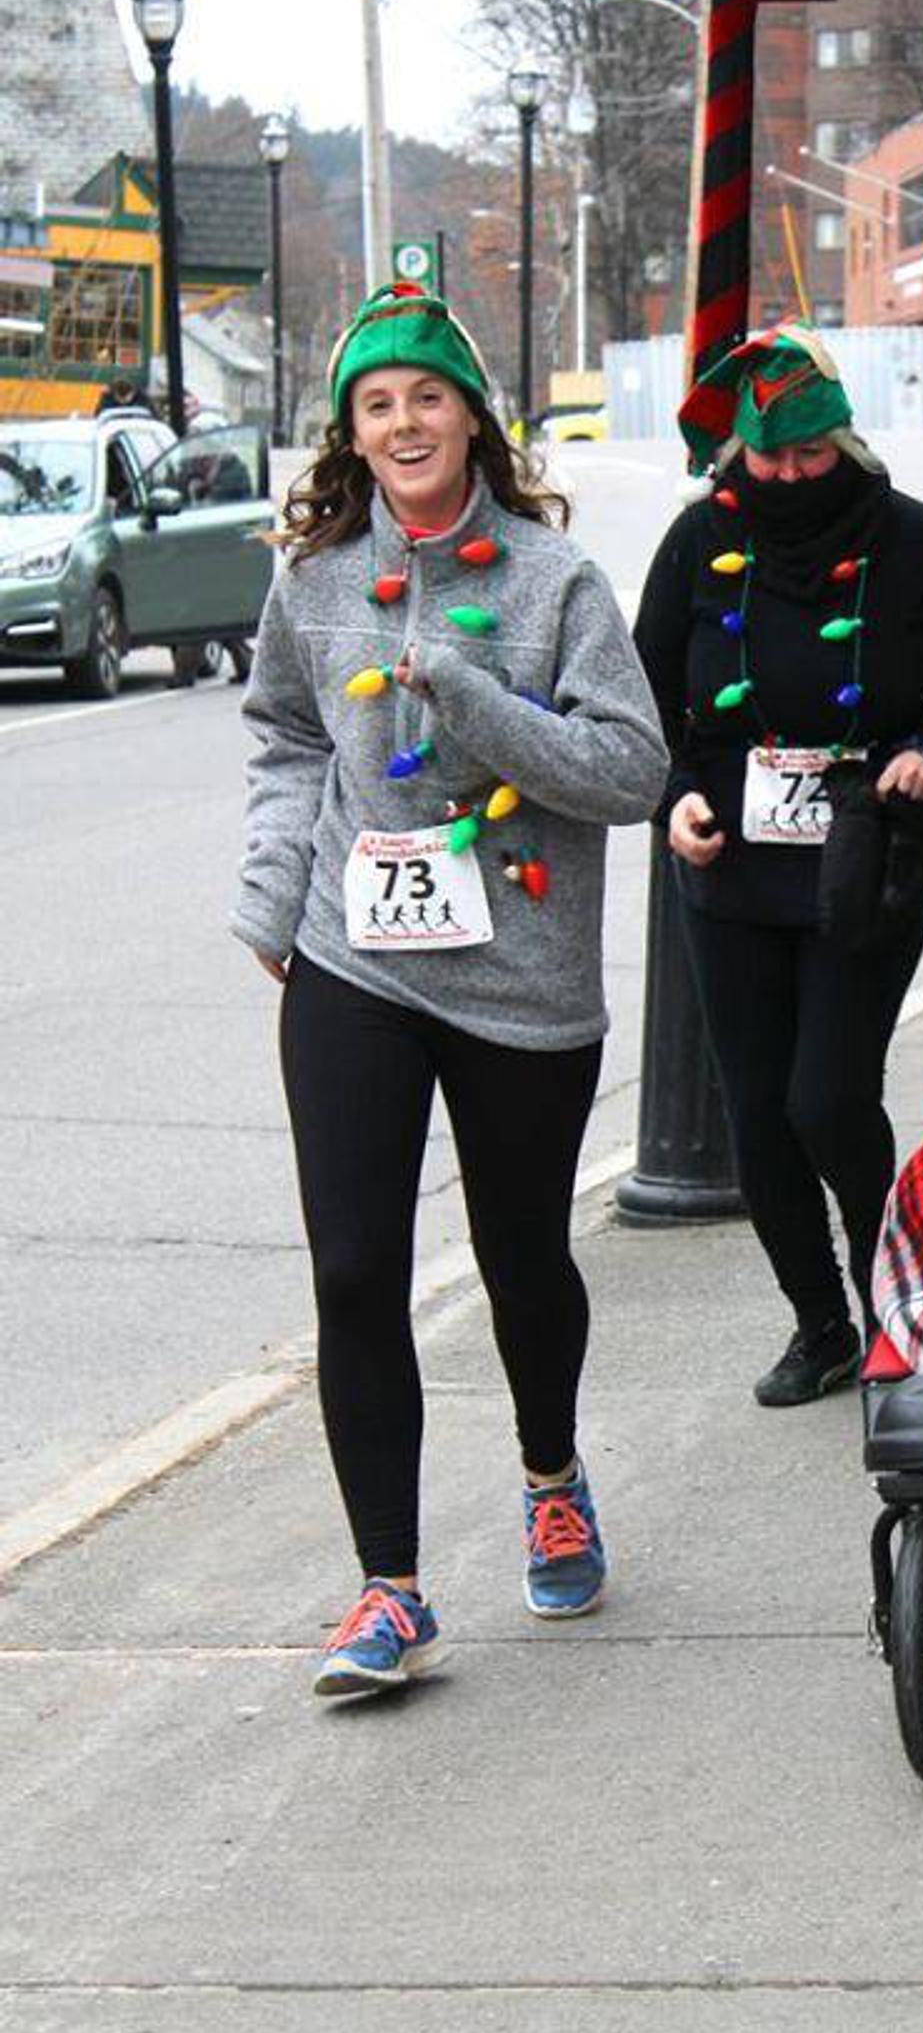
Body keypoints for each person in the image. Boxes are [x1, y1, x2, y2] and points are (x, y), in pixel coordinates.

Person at [231, 281, 667, 1701]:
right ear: (352, 435)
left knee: (520, 1260)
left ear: (472, 415)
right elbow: (288, 739)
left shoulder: (554, 582)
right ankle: (391, 1591)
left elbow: (629, 771)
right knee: (353, 1271)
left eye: (429, 396)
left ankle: (551, 1472)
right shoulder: (313, 581)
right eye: (378, 405)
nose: (406, 422)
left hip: (519, 976)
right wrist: (274, 886)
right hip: (357, 959)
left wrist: (477, 703)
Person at [634, 323, 923, 1407]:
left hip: (866, 853)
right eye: (771, 458)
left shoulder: (913, 539)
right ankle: (820, 1324)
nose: (793, 477)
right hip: (731, 860)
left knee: (826, 1099)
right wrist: (676, 798)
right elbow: (642, 697)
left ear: (844, 441)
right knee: (757, 1114)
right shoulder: (697, 543)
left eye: (811, 454)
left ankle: (895, 1297)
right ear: (738, 453)